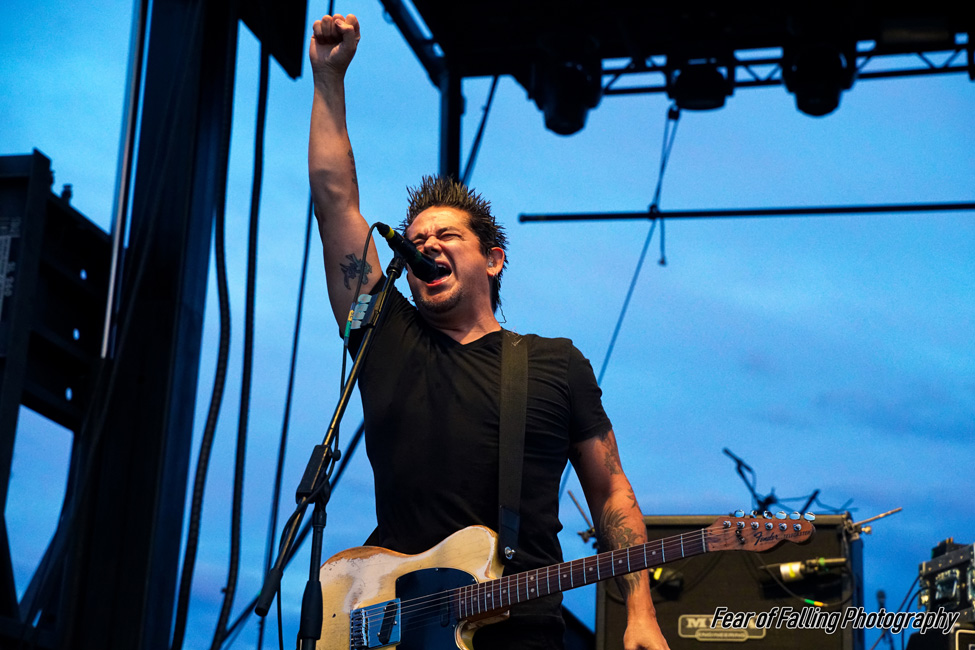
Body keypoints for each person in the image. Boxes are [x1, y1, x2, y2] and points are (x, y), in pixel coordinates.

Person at [309, 13, 671, 650]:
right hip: (397, 629)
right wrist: (328, 80)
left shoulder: (555, 364)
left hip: (522, 630)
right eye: (416, 241)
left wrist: (639, 612)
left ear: (493, 259)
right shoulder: (387, 340)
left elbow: (611, 490)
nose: (427, 246)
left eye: (447, 235)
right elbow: (335, 200)